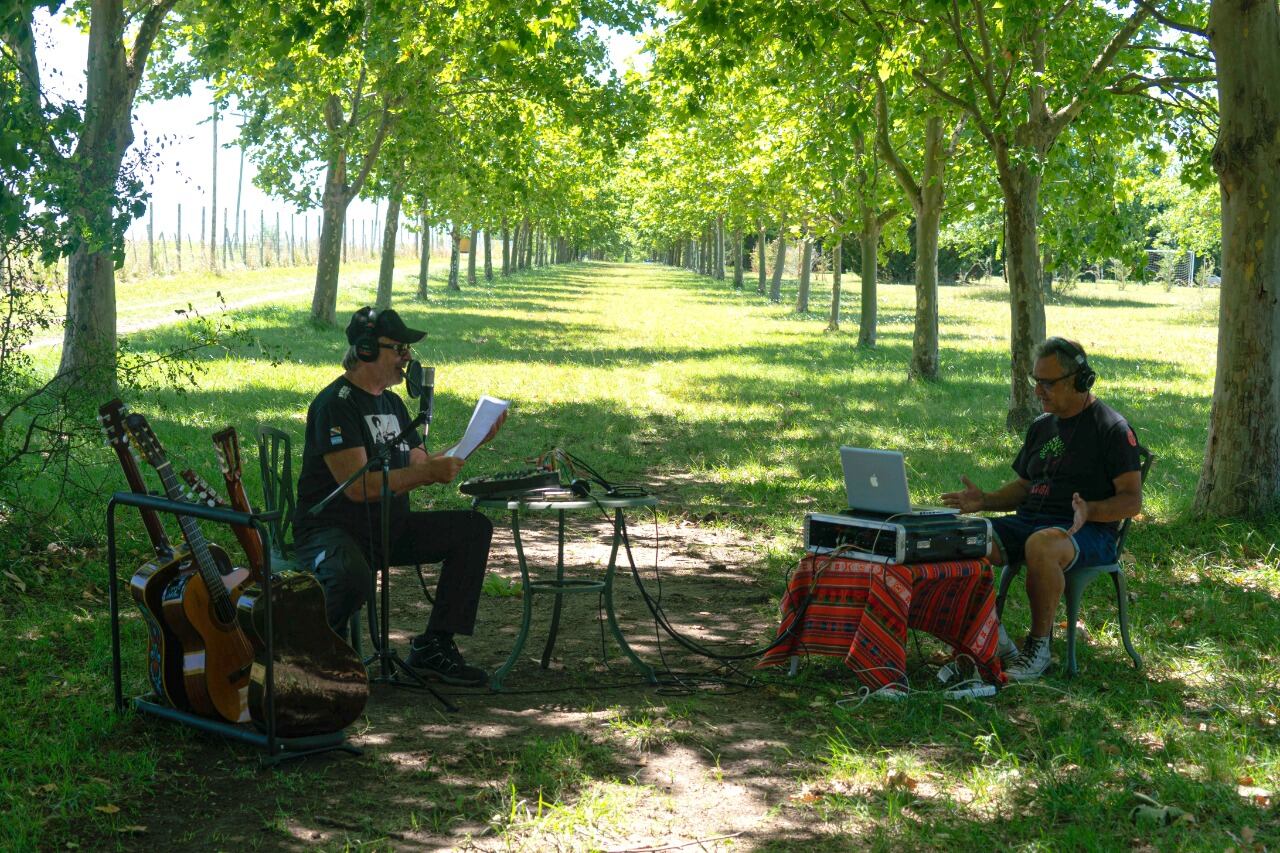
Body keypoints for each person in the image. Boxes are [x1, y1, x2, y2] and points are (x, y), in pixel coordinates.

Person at [293, 306, 505, 686]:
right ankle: (312, 661)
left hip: (387, 527)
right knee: (350, 576)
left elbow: (421, 461)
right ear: (365, 350)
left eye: (407, 350)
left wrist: (473, 441)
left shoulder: (391, 404)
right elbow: (357, 486)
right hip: (333, 531)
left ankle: (433, 647)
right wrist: (422, 473)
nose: (407, 358)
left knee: (472, 529)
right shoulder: (335, 405)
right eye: (399, 349)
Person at [941, 338, 1142, 681]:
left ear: (1081, 380)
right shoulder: (1041, 427)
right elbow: (1024, 487)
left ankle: (1039, 648)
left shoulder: (1111, 428)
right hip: (1029, 523)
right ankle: (993, 641)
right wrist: (985, 501)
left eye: (1048, 383)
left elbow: (1131, 500)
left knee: (1041, 544)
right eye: (1036, 381)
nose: (1039, 392)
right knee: (956, 539)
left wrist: (1089, 510)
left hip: (1086, 531)